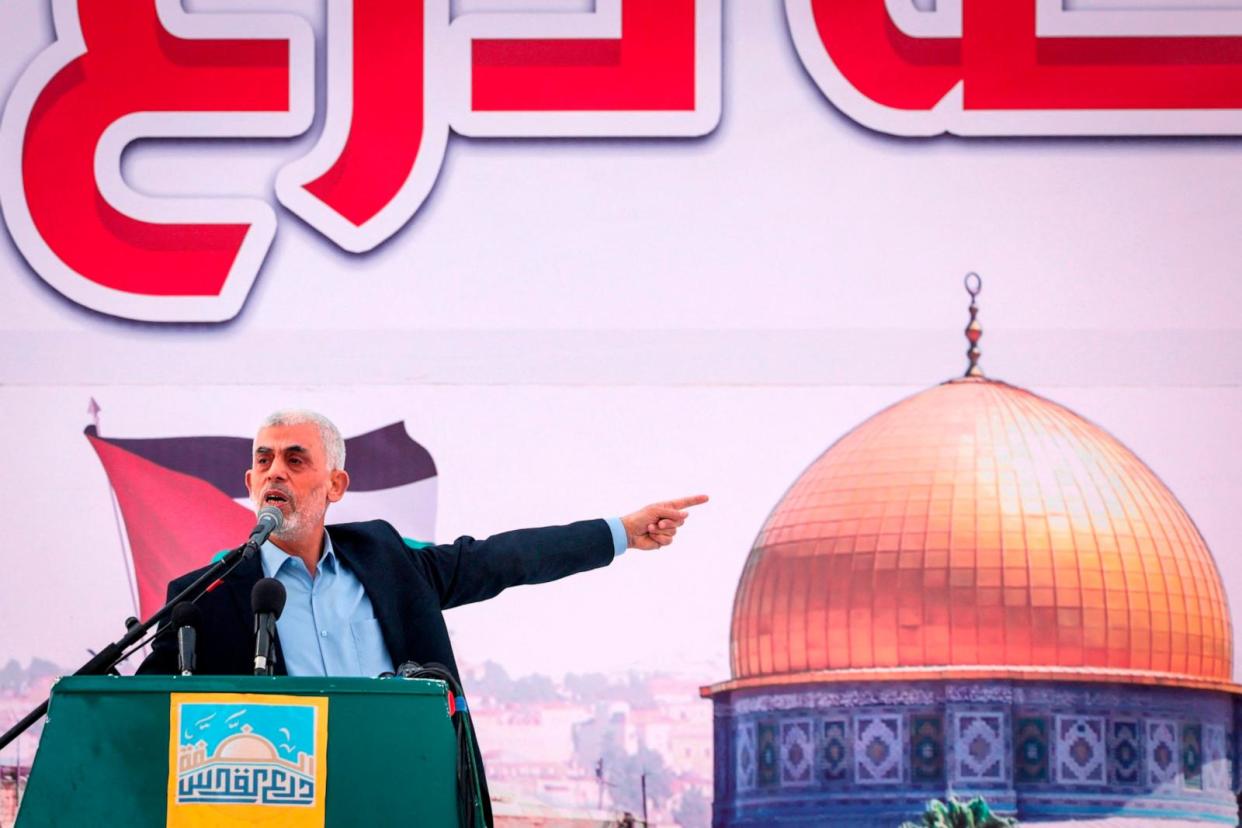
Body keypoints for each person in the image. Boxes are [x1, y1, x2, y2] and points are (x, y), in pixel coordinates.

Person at [137, 410, 707, 819]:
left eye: (295, 459)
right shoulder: (206, 596)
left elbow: (500, 560)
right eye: (264, 462)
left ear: (335, 484)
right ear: (249, 484)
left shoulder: (387, 560)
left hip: (407, 798)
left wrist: (620, 533)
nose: (275, 473)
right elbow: (137, 723)